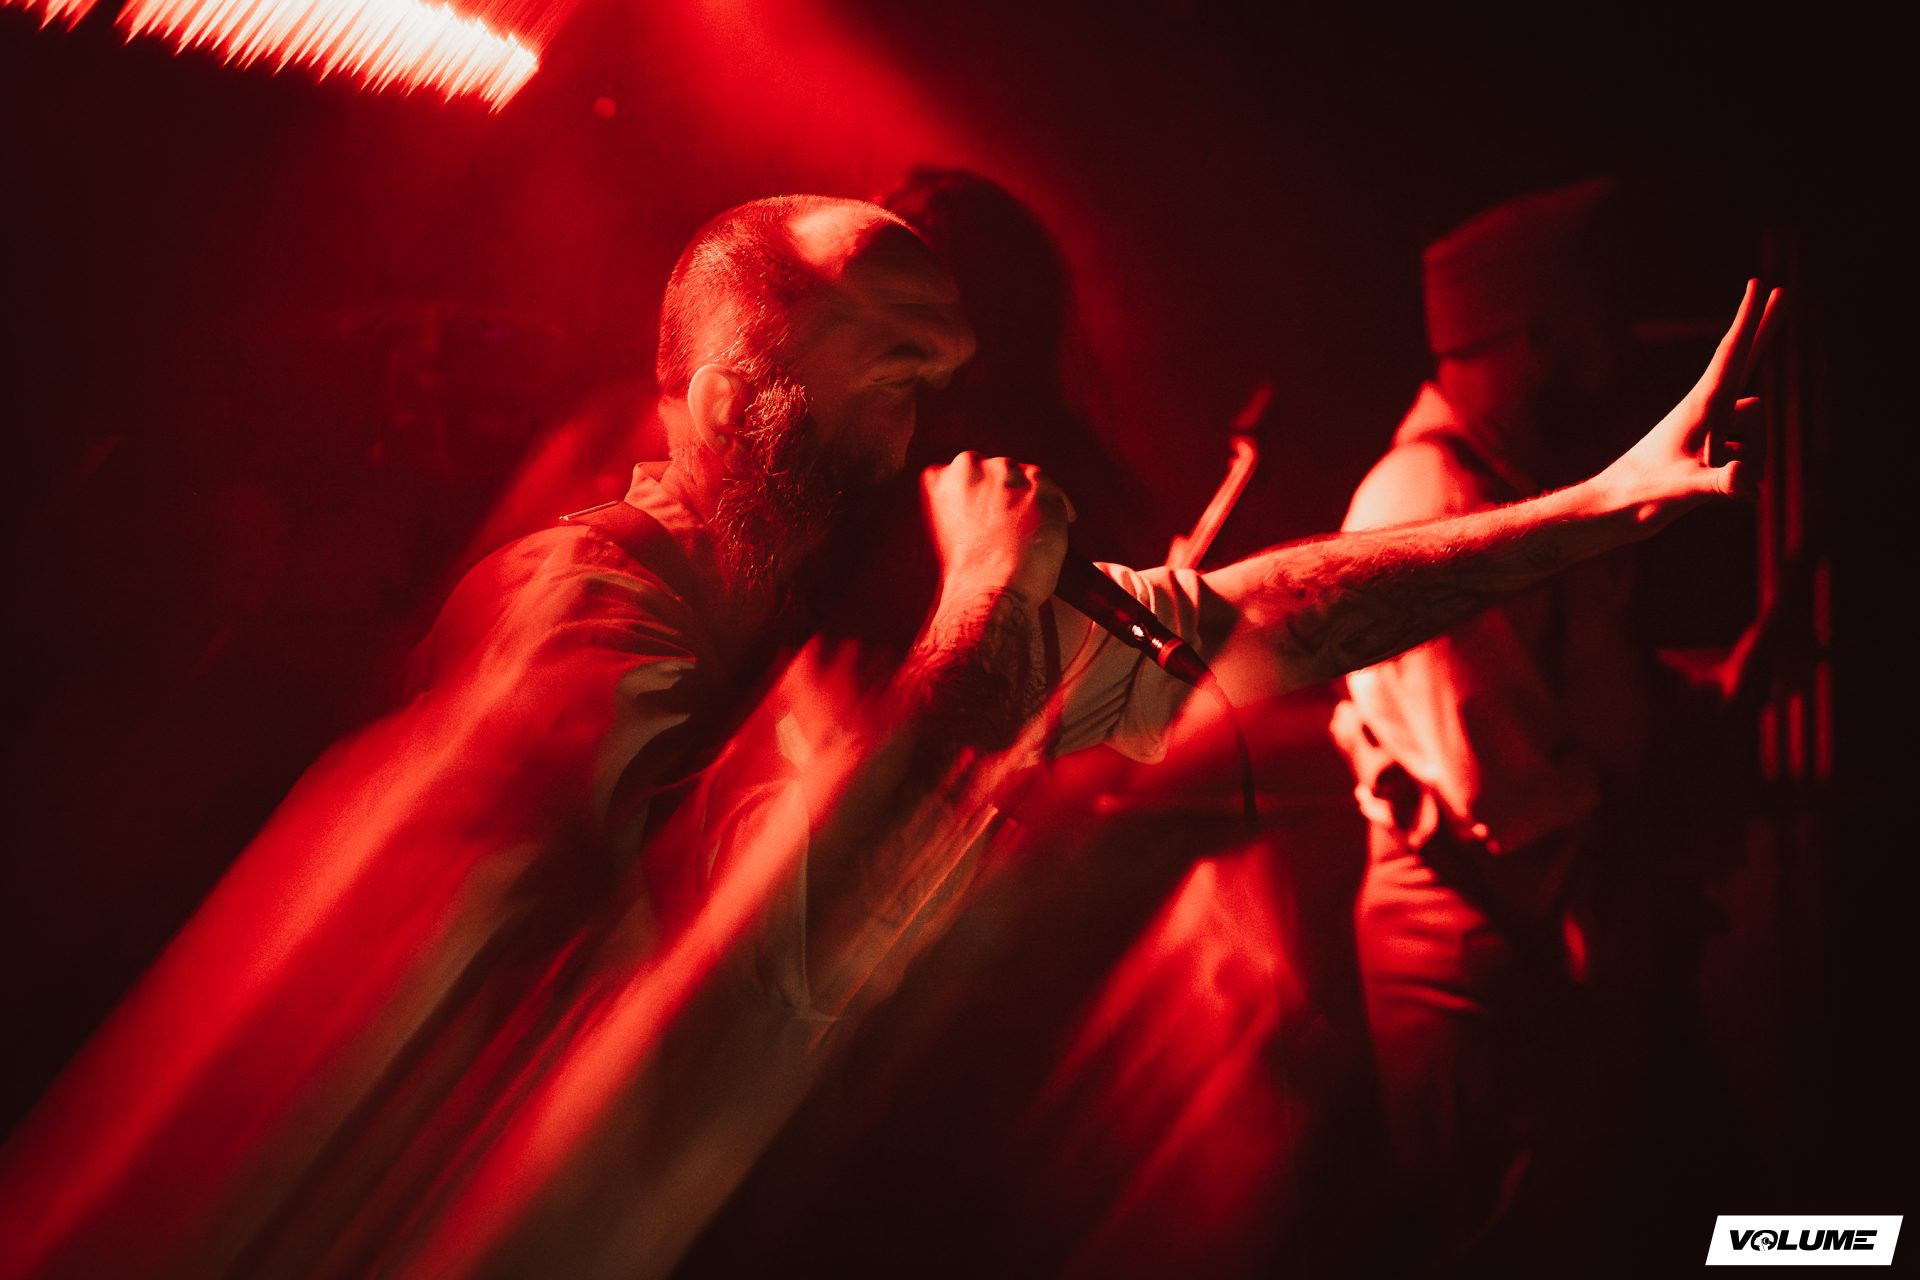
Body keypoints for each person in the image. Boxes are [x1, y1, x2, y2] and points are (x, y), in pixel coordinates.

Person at [0, 194, 1774, 1279]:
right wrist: (979, 631)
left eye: (949, 369)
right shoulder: (590, 608)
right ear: (729, 394)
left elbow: (1231, 617)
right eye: (895, 366)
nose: (937, 421)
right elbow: (714, 1013)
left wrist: (1593, 511)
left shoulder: (834, 613)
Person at [1329, 179, 1767, 1268]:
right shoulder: (1431, 511)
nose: (1625, 344)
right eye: (1603, 315)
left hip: (1551, 969)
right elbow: (1520, 804)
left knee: (1712, 1227)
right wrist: (1658, 914)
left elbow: (1585, 699)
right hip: (1497, 986)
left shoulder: (1497, 488)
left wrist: (1725, 693)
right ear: (1539, 339)